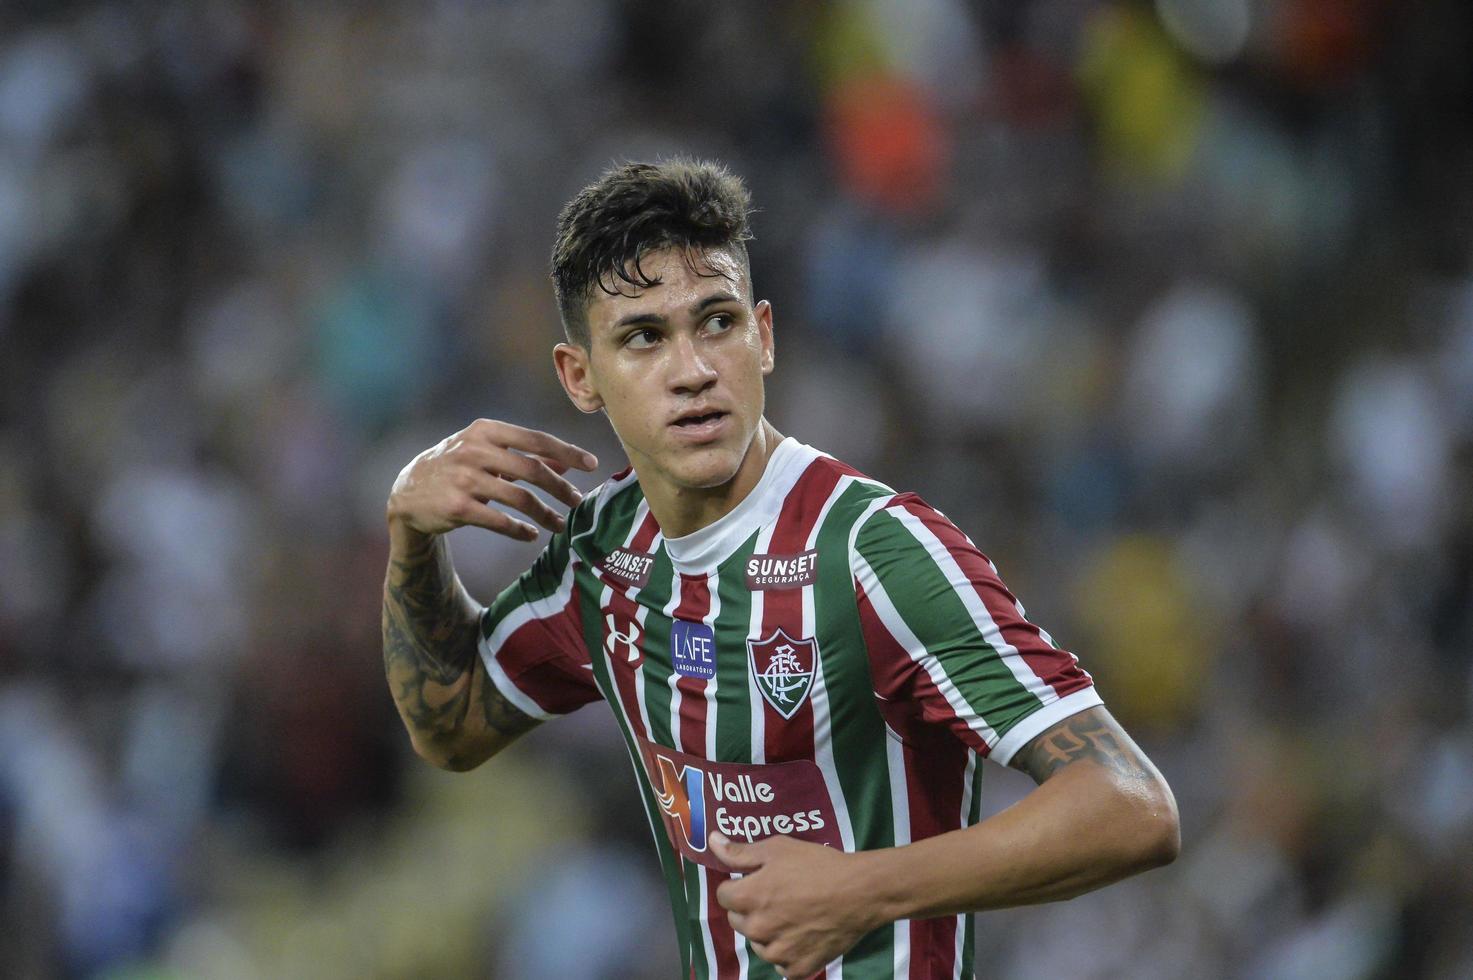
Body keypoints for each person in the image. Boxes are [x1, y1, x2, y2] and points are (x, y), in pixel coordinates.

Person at [381, 159, 1179, 979]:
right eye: (644, 336)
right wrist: (411, 531)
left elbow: (1130, 806)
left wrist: (863, 889)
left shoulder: (874, 551)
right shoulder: (602, 555)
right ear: (579, 375)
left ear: (764, 336)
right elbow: (451, 724)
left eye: (716, 322)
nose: (692, 370)